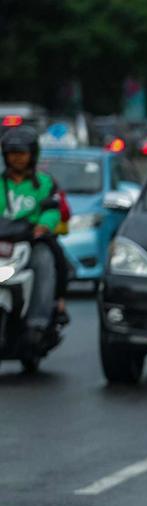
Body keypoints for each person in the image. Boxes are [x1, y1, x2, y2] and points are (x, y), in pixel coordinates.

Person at [2, 125, 66, 345]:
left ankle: (38, 321)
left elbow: (52, 209)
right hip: (2, 244)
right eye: (12, 154)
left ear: (32, 155)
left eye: (21, 153)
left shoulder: (44, 183)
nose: (17, 159)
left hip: (30, 241)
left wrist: (43, 226)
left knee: (47, 258)